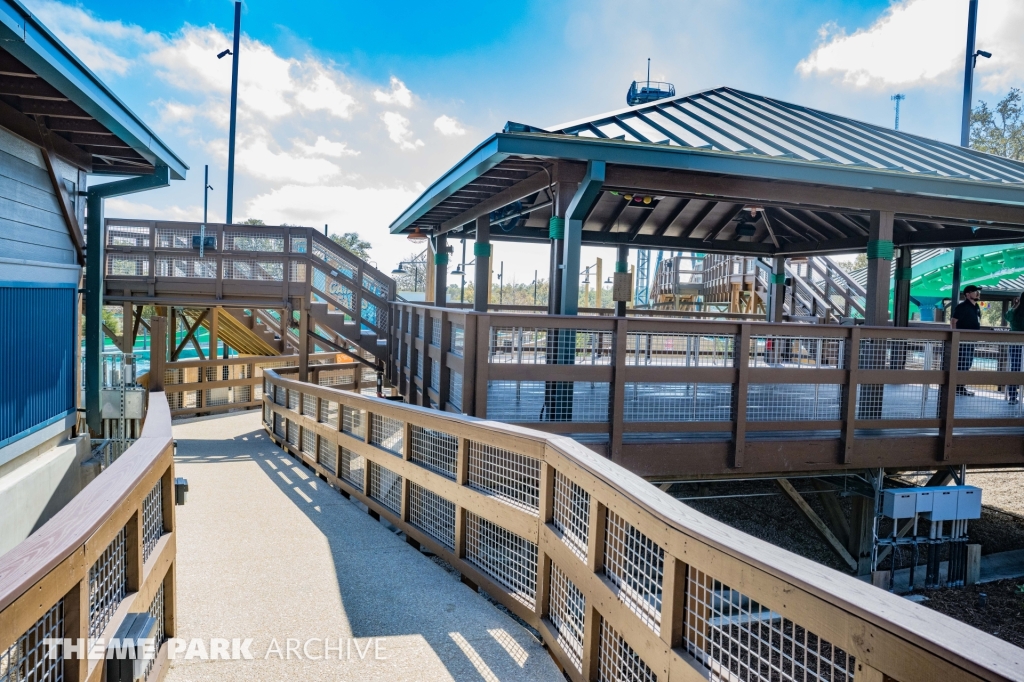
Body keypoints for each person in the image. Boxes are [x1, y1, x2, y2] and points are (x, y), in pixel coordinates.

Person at [951, 285, 982, 396]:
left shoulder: (976, 307)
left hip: (972, 340)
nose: (978, 293)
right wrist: (954, 336)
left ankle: (960, 387)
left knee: (968, 363)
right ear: (968, 294)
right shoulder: (962, 307)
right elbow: (953, 321)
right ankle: (957, 387)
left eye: (978, 291)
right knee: (962, 363)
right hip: (962, 340)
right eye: (975, 291)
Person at [1006, 296, 1024, 405]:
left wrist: (1016, 304)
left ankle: (1012, 396)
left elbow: (1006, 316)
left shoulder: (1014, 312)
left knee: (1015, 368)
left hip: (1015, 344)